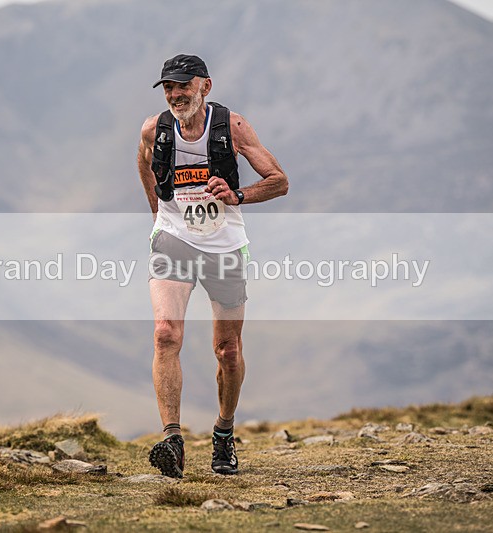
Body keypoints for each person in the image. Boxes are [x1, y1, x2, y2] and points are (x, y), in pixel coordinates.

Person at [137, 54, 288, 477]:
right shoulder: (155, 128)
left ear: (205, 86)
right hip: (174, 239)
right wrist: (157, 215)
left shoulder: (231, 127)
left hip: (225, 246)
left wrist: (237, 195)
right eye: (168, 87)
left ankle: (224, 431)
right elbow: (144, 163)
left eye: (183, 86)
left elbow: (279, 181)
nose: (174, 94)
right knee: (165, 334)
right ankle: (172, 439)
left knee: (228, 351)